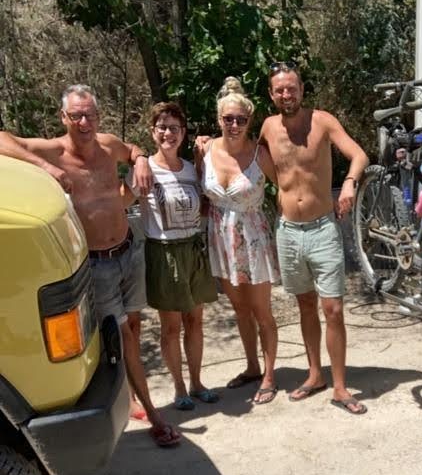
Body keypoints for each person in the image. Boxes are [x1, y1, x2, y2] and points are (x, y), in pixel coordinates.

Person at [0, 84, 181, 448]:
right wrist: (45, 167)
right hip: (97, 265)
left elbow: (132, 149)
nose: (84, 122)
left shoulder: (108, 144)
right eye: (76, 116)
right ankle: (155, 416)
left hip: (127, 251)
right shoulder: (53, 150)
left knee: (133, 326)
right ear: (63, 117)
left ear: (98, 117)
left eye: (90, 115)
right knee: (123, 335)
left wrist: (140, 160)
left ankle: (130, 396)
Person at [259, 61, 370, 415]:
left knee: (332, 309)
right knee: (305, 304)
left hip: (322, 229)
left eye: (291, 88)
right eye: (280, 90)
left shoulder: (322, 121)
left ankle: (340, 386)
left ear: (302, 89)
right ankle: (315, 375)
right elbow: (246, 151)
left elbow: (359, 155)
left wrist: (349, 183)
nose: (286, 94)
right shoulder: (267, 127)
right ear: (271, 94)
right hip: (288, 231)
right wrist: (206, 145)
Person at [125, 101, 219, 411]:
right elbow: (121, 202)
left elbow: (202, 206)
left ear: (183, 132)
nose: (168, 133)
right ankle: (179, 388)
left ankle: (197, 382)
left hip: (193, 250)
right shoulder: (144, 169)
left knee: (195, 321)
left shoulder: (191, 169)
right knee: (171, 326)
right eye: (162, 127)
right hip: (164, 253)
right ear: (153, 132)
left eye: (174, 128)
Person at [200, 76, 280, 406]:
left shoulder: (260, 154)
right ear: (219, 119)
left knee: (262, 311)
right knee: (240, 309)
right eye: (228, 119)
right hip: (220, 239)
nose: (234, 125)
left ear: (250, 121)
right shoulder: (205, 150)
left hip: (254, 238)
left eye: (241, 120)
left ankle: (270, 375)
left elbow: (286, 187)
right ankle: (251, 366)